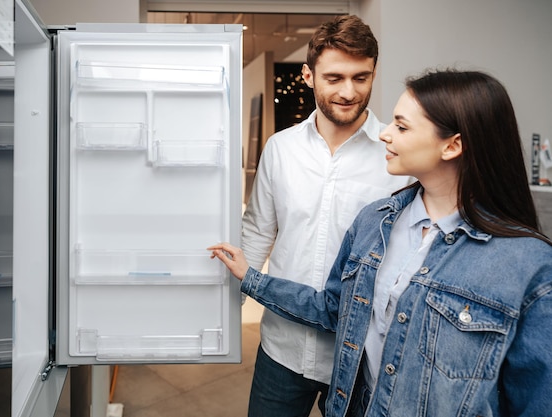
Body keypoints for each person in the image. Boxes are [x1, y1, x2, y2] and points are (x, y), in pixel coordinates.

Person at [210, 69, 552, 416]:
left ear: (453, 145)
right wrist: (251, 278)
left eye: (401, 127)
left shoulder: (529, 266)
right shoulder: (374, 222)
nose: (385, 134)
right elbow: (333, 307)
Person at [240, 14, 412, 416]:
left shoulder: (396, 155)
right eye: (334, 78)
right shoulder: (280, 149)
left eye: (361, 77)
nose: (349, 92)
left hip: (360, 358)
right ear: (308, 75)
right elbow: (256, 235)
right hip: (281, 349)